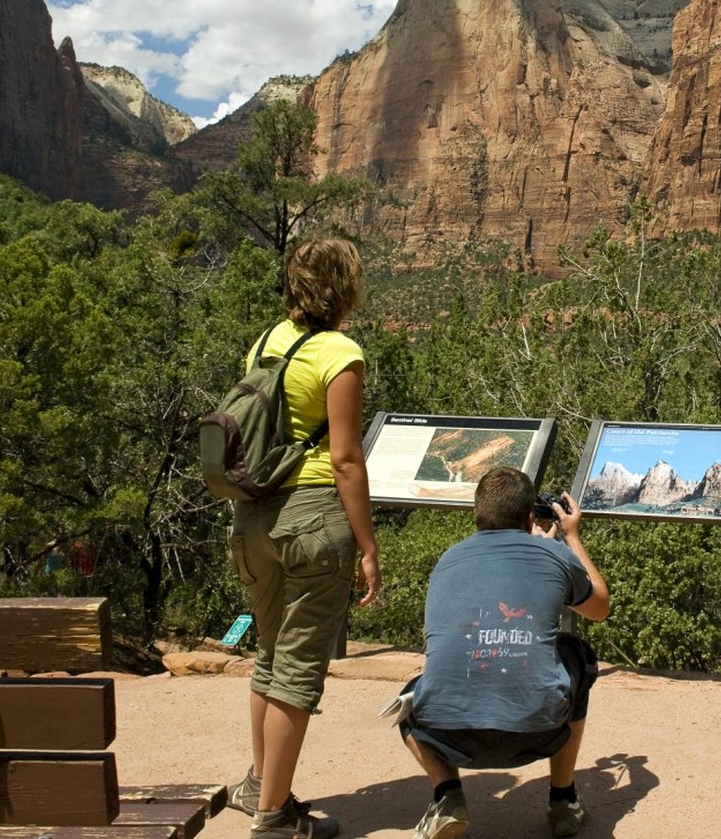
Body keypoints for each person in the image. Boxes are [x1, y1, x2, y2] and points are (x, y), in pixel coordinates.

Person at [224, 236, 381, 839]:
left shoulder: (265, 341)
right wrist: (367, 547)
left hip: (253, 515)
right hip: (312, 517)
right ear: (346, 286)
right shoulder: (341, 353)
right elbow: (345, 459)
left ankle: (258, 786)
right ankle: (274, 815)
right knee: (295, 670)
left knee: (268, 655)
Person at [399, 466, 611, 839]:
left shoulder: (448, 560)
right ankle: (563, 799)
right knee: (578, 654)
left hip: (447, 737)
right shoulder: (552, 555)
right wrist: (570, 537)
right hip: (539, 731)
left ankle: (446, 795)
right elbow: (599, 607)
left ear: (477, 513)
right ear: (531, 516)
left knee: (414, 693)